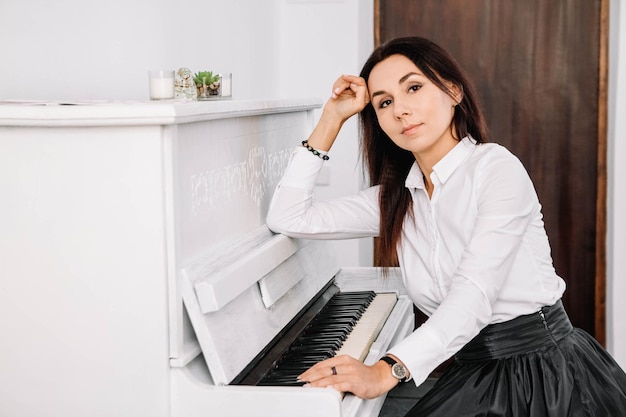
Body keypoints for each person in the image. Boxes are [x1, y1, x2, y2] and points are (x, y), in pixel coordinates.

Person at [266, 36, 626, 416]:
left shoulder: (496, 169)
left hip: (542, 376)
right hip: (475, 371)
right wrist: (332, 118)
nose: (400, 110)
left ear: (453, 92)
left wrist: (385, 370)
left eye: (414, 88)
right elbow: (288, 216)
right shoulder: (395, 199)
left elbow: (472, 295)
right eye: (384, 102)